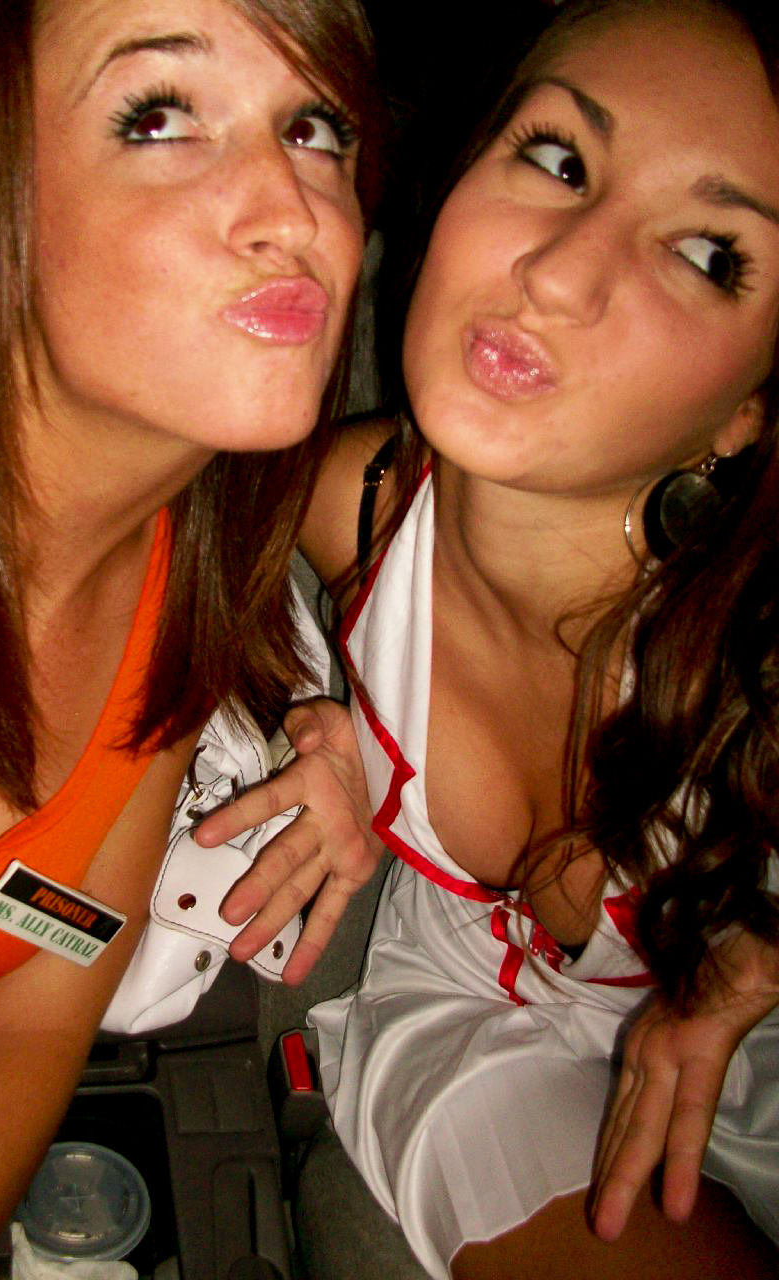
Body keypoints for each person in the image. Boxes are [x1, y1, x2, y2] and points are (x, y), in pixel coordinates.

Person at [197, 1, 779, 1275]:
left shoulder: (757, 624)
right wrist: (300, 716)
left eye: (706, 251)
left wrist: (752, 964)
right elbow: (139, 544)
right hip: (475, 1018)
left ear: (749, 409)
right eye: (558, 158)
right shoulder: (345, 504)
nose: (559, 272)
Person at [0, 0, 382, 1273]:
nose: (293, 209)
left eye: (315, 129)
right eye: (161, 116)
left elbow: (23, 1031)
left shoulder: (173, 637)